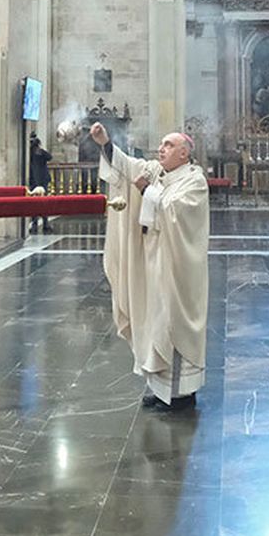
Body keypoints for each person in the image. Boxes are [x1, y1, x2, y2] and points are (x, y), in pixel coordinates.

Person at [91, 121, 211, 412]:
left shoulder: (194, 181)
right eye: (161, 144)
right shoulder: (158, 171)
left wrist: (147, 192)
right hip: (154, 263)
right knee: (154, 322)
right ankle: (160, 389)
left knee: (172, 323)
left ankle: (182, 394)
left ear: (184, 153)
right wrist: (105, 143)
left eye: (168, 145)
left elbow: (175, 212)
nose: (161, 148)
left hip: (177, 271)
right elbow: (127, 168)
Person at [27, 132, 54, 234]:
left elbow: (49, 157)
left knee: (35, 203)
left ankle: (36, 223)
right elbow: (49, 157)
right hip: (40, 180)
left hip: (35, 180)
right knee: (43, 202)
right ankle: (44, 222)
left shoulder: (31, 153)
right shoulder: (39, 152)